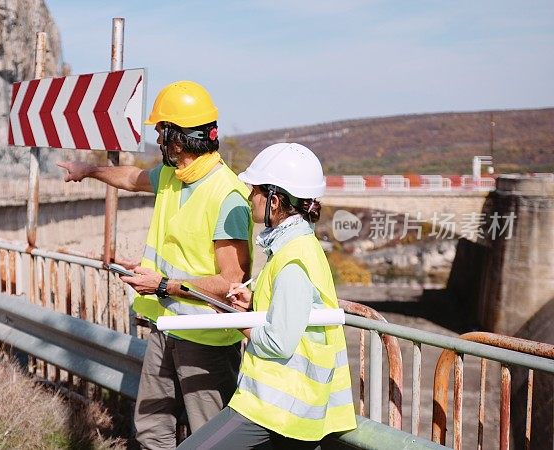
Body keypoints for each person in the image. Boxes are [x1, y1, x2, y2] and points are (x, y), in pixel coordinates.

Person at [57, 81, 253, 449]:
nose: (158, 139)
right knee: (150, 425)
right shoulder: (173, 176)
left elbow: (231, 283)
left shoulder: (227, 196)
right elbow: (131, 178)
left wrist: (162, 284)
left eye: (162, 131)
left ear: (179, 138)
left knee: (210, 436)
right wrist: (89, 170)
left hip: (207, 338)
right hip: (168, 327)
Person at [178, 143, 357, 450]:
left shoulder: (294, 258)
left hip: (276, 405)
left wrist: (237, 321)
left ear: (274, 200)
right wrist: (253, 306)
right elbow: (291, 312)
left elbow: (279, 340)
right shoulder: (295, 247)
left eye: (255, 190)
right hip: (286, 404)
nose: (250, 198)